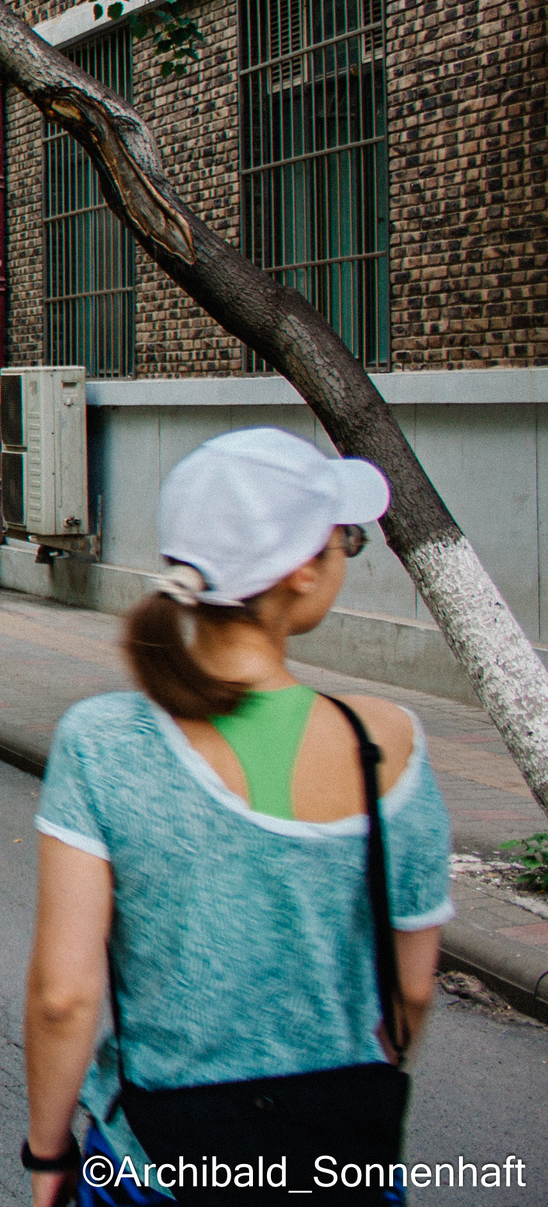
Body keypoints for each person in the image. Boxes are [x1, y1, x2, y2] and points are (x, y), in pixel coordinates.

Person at [23, 428, 451, 1206]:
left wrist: (47, 1154)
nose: (344, 556)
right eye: (345, 540)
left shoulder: (103, 741)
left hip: (158, 1162)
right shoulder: (387, 743)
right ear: (301, 569)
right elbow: (412, 993)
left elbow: (64, 996)